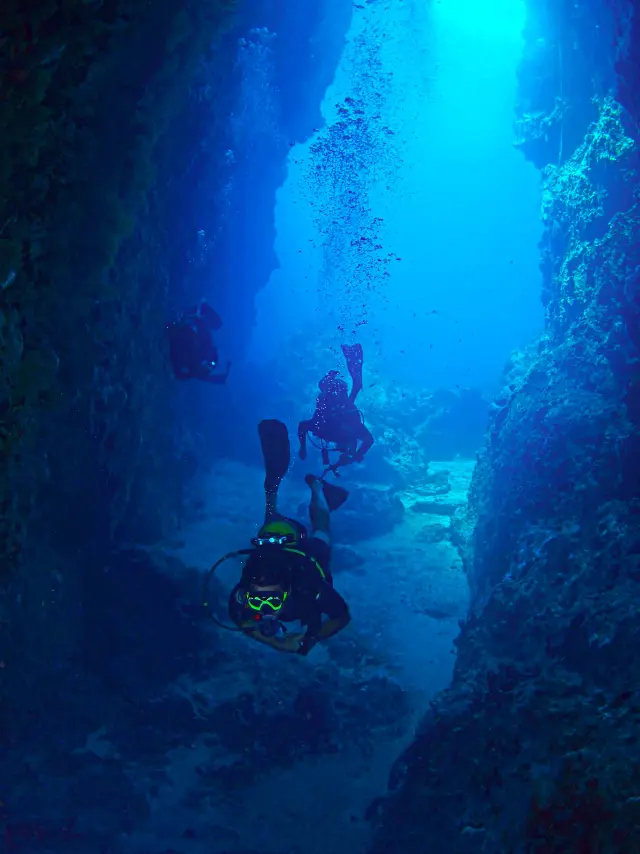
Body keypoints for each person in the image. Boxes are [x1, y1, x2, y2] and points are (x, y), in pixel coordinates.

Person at [227, 419, 351, 655]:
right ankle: (272, 489)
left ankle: (317, 487)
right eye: (257, 600)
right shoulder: (245, 592)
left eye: (272, 601)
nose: (265, 609)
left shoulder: (309, 587)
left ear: (289, 592)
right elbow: (239, 619)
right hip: (277, 543)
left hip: (304, 553)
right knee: (272, 524)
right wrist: (278, 643)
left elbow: (341, 616)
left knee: (321, 530)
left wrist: (310, 639)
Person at [298, 343, 374, 472]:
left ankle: (350, 383)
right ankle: (351, 383)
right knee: (343, 402)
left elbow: (302, 426)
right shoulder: (350, 428)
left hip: (339, 409)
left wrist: (303, 448)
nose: (341, 447)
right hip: (342, 410)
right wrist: (356, 456)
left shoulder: (326, 428)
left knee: (343, 401)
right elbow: (368, 441)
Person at [166, 300, 230, 384]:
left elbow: (190, 373)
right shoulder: (206, 338)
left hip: (179, 349)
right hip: (179, 340)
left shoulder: (205, 343)